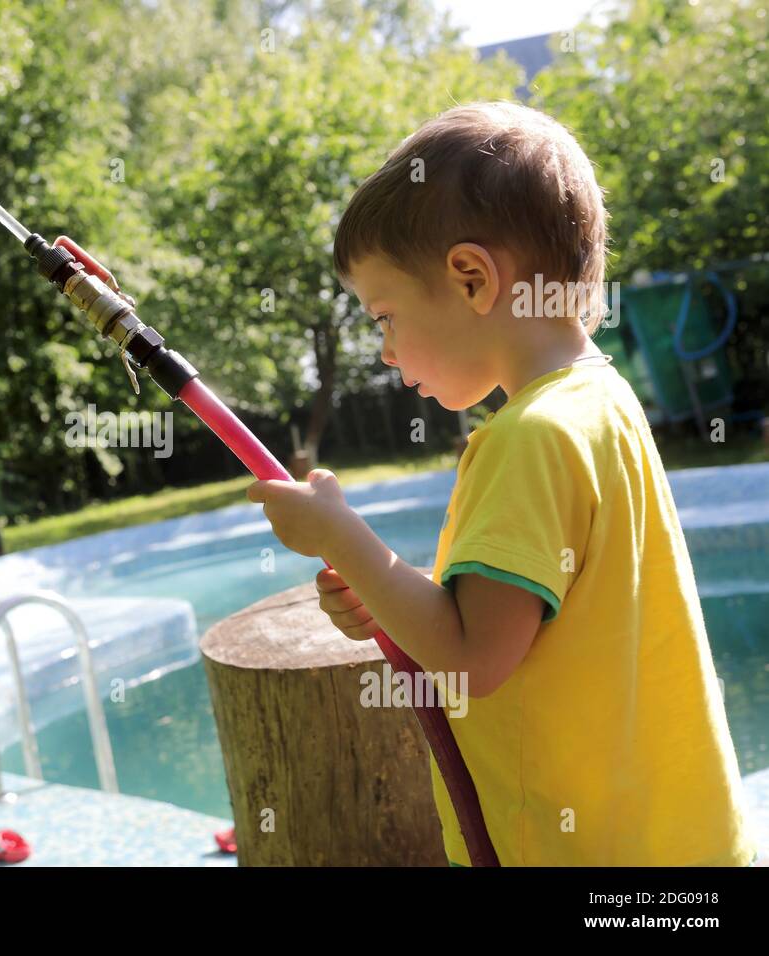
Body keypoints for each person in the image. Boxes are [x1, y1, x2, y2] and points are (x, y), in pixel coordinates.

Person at [247, 102, 755, 866]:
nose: (384, 350)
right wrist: (388, 586)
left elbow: (469, 662)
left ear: (472, 278)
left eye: (384, 315)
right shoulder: (603, 402)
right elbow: (531, 614)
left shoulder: (526, 438)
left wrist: (338, 537)